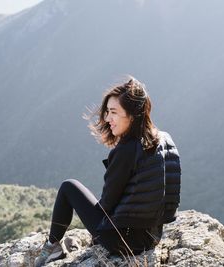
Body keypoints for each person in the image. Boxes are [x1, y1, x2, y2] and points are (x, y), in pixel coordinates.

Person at [34, 76, 181, 266]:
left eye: (113, 112)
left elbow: (106, 205)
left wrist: (98, 228)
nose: (107, 118)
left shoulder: (127, 150)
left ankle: (53, 246)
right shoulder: (162, 138)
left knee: (69, 187)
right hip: (152, 237)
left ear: (132, 114)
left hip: (124, 242)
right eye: (107, 111)